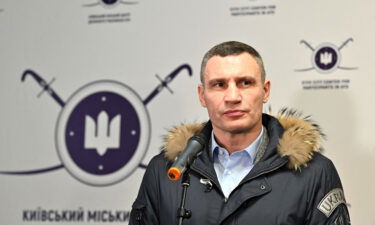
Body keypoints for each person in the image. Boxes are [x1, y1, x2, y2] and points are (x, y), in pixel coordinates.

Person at [129, 41, 350, 225]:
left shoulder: (315, 173)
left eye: (245, 83)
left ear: (265, 91)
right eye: (219, 84)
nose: (233, 96)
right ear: (202, 95)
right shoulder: (164, 171)